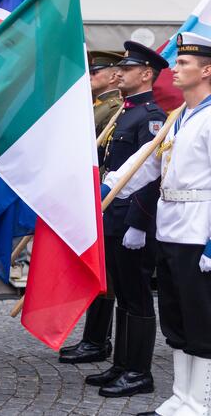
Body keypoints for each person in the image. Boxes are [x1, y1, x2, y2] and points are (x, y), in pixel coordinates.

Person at [105, 32, 211, 416]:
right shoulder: (179, 117)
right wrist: (109, 184)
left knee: (201, 320)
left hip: (199, 231)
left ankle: (201, 402)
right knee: (176, 318)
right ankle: (181, 396)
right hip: (170, 227)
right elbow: (149, 165)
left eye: (183, 63)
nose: (175, 69)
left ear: (207, 70)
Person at [71, 42, 167, 400]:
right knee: (123, 294)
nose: (119, 73)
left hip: (131, 220)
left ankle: (139, 372)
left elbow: (150, 175)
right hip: (112, 215)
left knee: (137, 295)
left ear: (146, 74)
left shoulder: (152, 115)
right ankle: (123, 363)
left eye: (127, 69)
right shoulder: (125, 113)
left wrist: (139, 224)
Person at [58, 50, 125, 364]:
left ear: (113, 76)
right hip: (91, 199)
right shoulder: (98, 108)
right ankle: (93, 338)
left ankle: (98, 341)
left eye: (96, 72)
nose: (90, 77)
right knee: (97, 271)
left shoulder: (113, 109)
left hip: (106, 201)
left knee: (106, 274)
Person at [90, 51, 125, 138]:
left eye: (94, 73)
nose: (89, 77)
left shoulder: (115, 107)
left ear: (113, 77)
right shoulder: (95, 105)